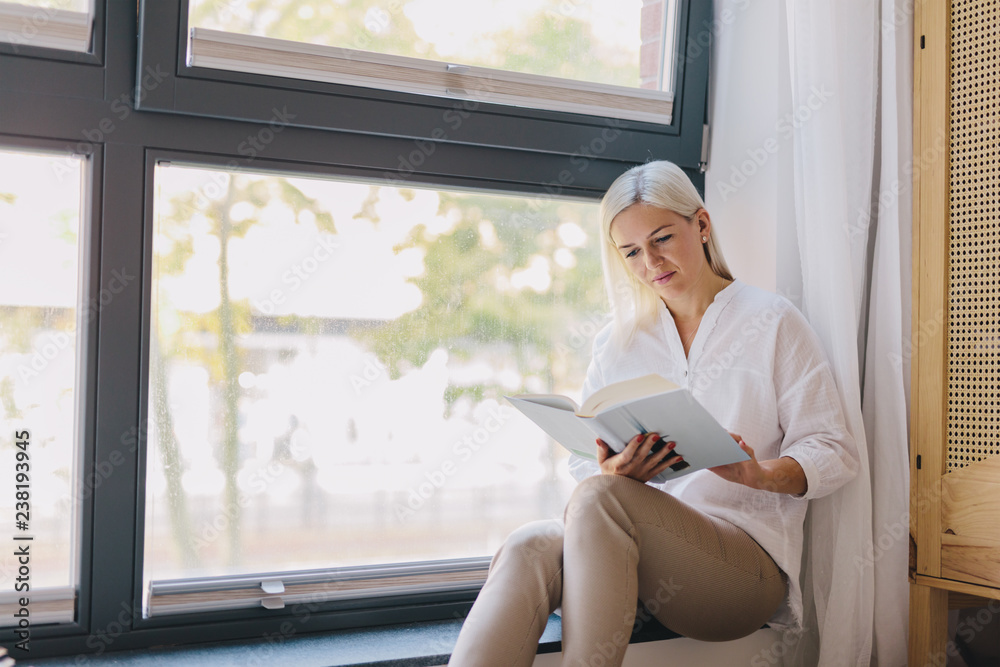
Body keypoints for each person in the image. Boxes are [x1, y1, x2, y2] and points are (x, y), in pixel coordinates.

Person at [448, 160, 860, 666]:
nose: (650, 262)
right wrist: (612, 471)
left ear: (702, 225)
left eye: (662, 238)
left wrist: (758, 474)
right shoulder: (618, 342)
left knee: (602, 498)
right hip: (633, 561)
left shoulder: (771, 321)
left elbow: (834, 451)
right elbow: (584, 467)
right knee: (527, 543)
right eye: (631, 252)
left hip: (743, 573)